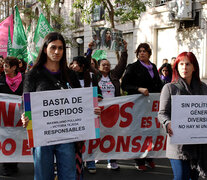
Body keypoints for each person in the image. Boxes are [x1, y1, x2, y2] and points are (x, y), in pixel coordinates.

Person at [21, 32, 101, 180]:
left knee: (68, 175)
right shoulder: (33, 74)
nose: (57, 52)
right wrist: (25, 115)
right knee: (43, 176)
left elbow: (80, 102)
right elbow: (25, 103)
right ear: (45, 49)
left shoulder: (70, 75)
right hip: (42, 135)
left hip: (67, 135)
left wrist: (92, 110)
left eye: (60, 48)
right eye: (53, 48)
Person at [158, 52, 207, 180]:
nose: (184, 67)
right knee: (181, 177)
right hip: (178, 145)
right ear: (176, 67)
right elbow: (162, 113)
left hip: (198, 144)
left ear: (194, 67)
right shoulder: (169, 88)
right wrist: (168, 123)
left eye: (188, 64)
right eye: (181, 64)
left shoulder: (203, 88)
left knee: (193, 178)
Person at [121, 43, 163, 171]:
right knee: (140, 132)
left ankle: (150, 157)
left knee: (151, 131)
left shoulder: (154, 67)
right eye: (140, 51)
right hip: (138, 106)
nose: (142, 53)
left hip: (151, 107)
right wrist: (138, 89)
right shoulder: (133, 67)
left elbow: (158, 85)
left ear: (149, 53)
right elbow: (125, 85)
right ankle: (139, 160)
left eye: (144, 51)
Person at [71, 55, 102, 174]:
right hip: (74, 113)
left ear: (82, 66)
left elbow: (97, 91)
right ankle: (76, 162)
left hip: (88, 112)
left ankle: (90, 162)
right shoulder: (69, 76)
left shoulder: (91, 76)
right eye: (72, 63)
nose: (73, 66)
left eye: (75, 63)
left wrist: (98, 97)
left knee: (89, 138)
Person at [0, 56, 24, 176]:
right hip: (6, 118)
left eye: (7, 66)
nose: (4, 68)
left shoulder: (24, 80)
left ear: (14, 68)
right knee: (6, 137)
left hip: (20, 118)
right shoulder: (1, 80)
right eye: (4, 65)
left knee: (18, 138)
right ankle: (7, 165)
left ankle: (14, 163)